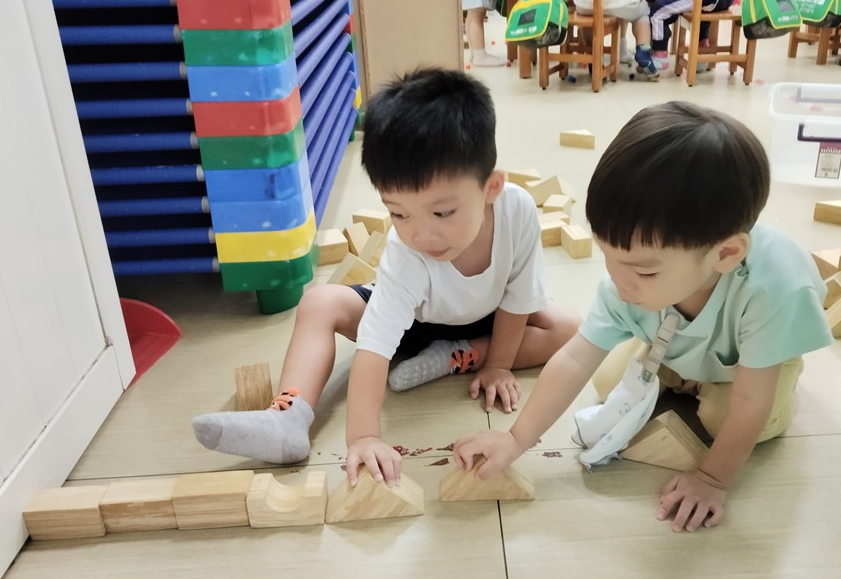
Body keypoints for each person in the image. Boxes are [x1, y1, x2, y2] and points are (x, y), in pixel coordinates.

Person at [452, 102, 833, 533]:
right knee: (606, 379)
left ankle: (740, 385)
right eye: (608, 255)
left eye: (645, 271)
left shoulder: (774, 290)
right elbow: (576, 357)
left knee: (726, 417)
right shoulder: (633, 277)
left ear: (725, 253)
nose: (620, 281)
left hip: (752, 367)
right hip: (676, 342)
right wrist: (515, 439)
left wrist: (712, 479)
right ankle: (685, 374)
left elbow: (751, 401)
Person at [191, 69, 580, 481]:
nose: (421, 234)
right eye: (399, 213)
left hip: (490, 318)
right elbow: (375, 346)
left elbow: (518, 298)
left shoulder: (517, 210)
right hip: (413, 322)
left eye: (442, 212)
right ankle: (287, 416)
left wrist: (499, 365)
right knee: (320, 302)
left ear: (491, 187)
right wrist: (363, 437)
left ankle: (462, 356)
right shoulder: (405, 253)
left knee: (569, 327)